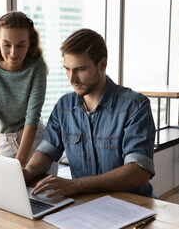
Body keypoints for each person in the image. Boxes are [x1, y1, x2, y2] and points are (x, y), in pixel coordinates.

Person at [23, 28, 155, 198]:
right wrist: (28, 172)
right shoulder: (64, 106)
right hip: (85, 206)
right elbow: (48, 151)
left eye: (80, 69)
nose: (71, 78)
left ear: (102, 64)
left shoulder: (135, 106)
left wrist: (76, 185)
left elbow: (139, 173)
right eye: (67, 69)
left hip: (133, 206)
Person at [0, 11, 57, 174]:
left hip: (35, 141)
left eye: (21, 45)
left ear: (30, 44)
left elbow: (32, 115)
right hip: (3, 140)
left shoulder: (37, 66)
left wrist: (19, 163)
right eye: (7, 45)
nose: (13, 53)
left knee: (41, 198)